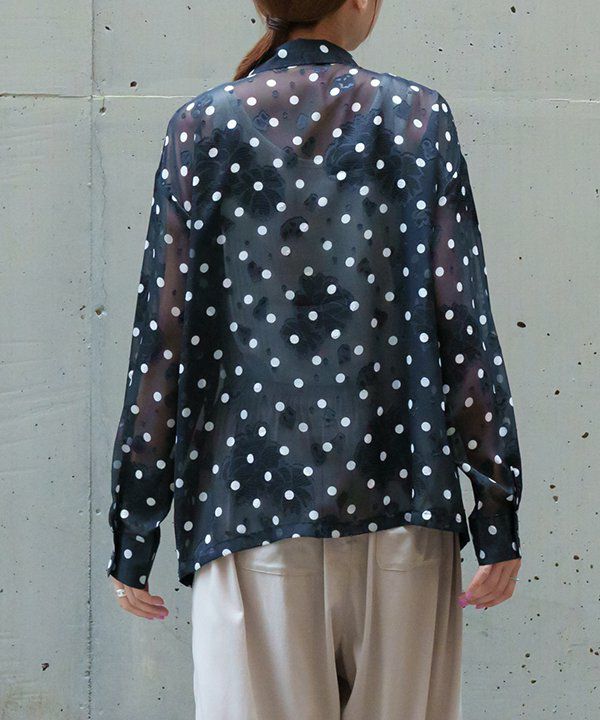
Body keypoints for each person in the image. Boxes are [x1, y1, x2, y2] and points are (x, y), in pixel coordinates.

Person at [107, 0, 524, 717]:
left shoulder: (201, 127)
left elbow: (164, 337)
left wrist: (136, 526)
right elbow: (462, 320)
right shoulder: (418, 118)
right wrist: (496, 511)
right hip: (402, 507)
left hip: (247, 512)